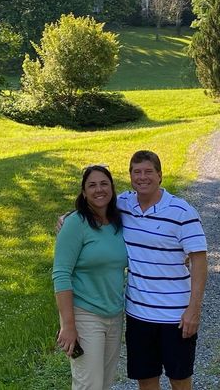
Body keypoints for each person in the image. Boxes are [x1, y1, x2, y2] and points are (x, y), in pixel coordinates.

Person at [119, 150, 207, 390]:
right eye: (137, 172)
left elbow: (199, 261)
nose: (142, 177)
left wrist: (194, 310)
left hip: (175, 316)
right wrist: (68, 216)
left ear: (160, 175)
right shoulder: (124, 204)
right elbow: (94, 205)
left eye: (148, 171)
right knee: (146, 380)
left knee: (179, 381)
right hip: (138, 315)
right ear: (130, 176)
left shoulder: (182, 212)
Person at [52, 164, 128, 390]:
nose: (99, 190)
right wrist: (68, 325)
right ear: (84, 192)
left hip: (114, 314)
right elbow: (61, 274)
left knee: (104, 383)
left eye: (104, 184)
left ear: (112, 188)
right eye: (92, 185)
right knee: (89, 385)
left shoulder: (119, 222)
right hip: (85, 316)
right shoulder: (75, 224)